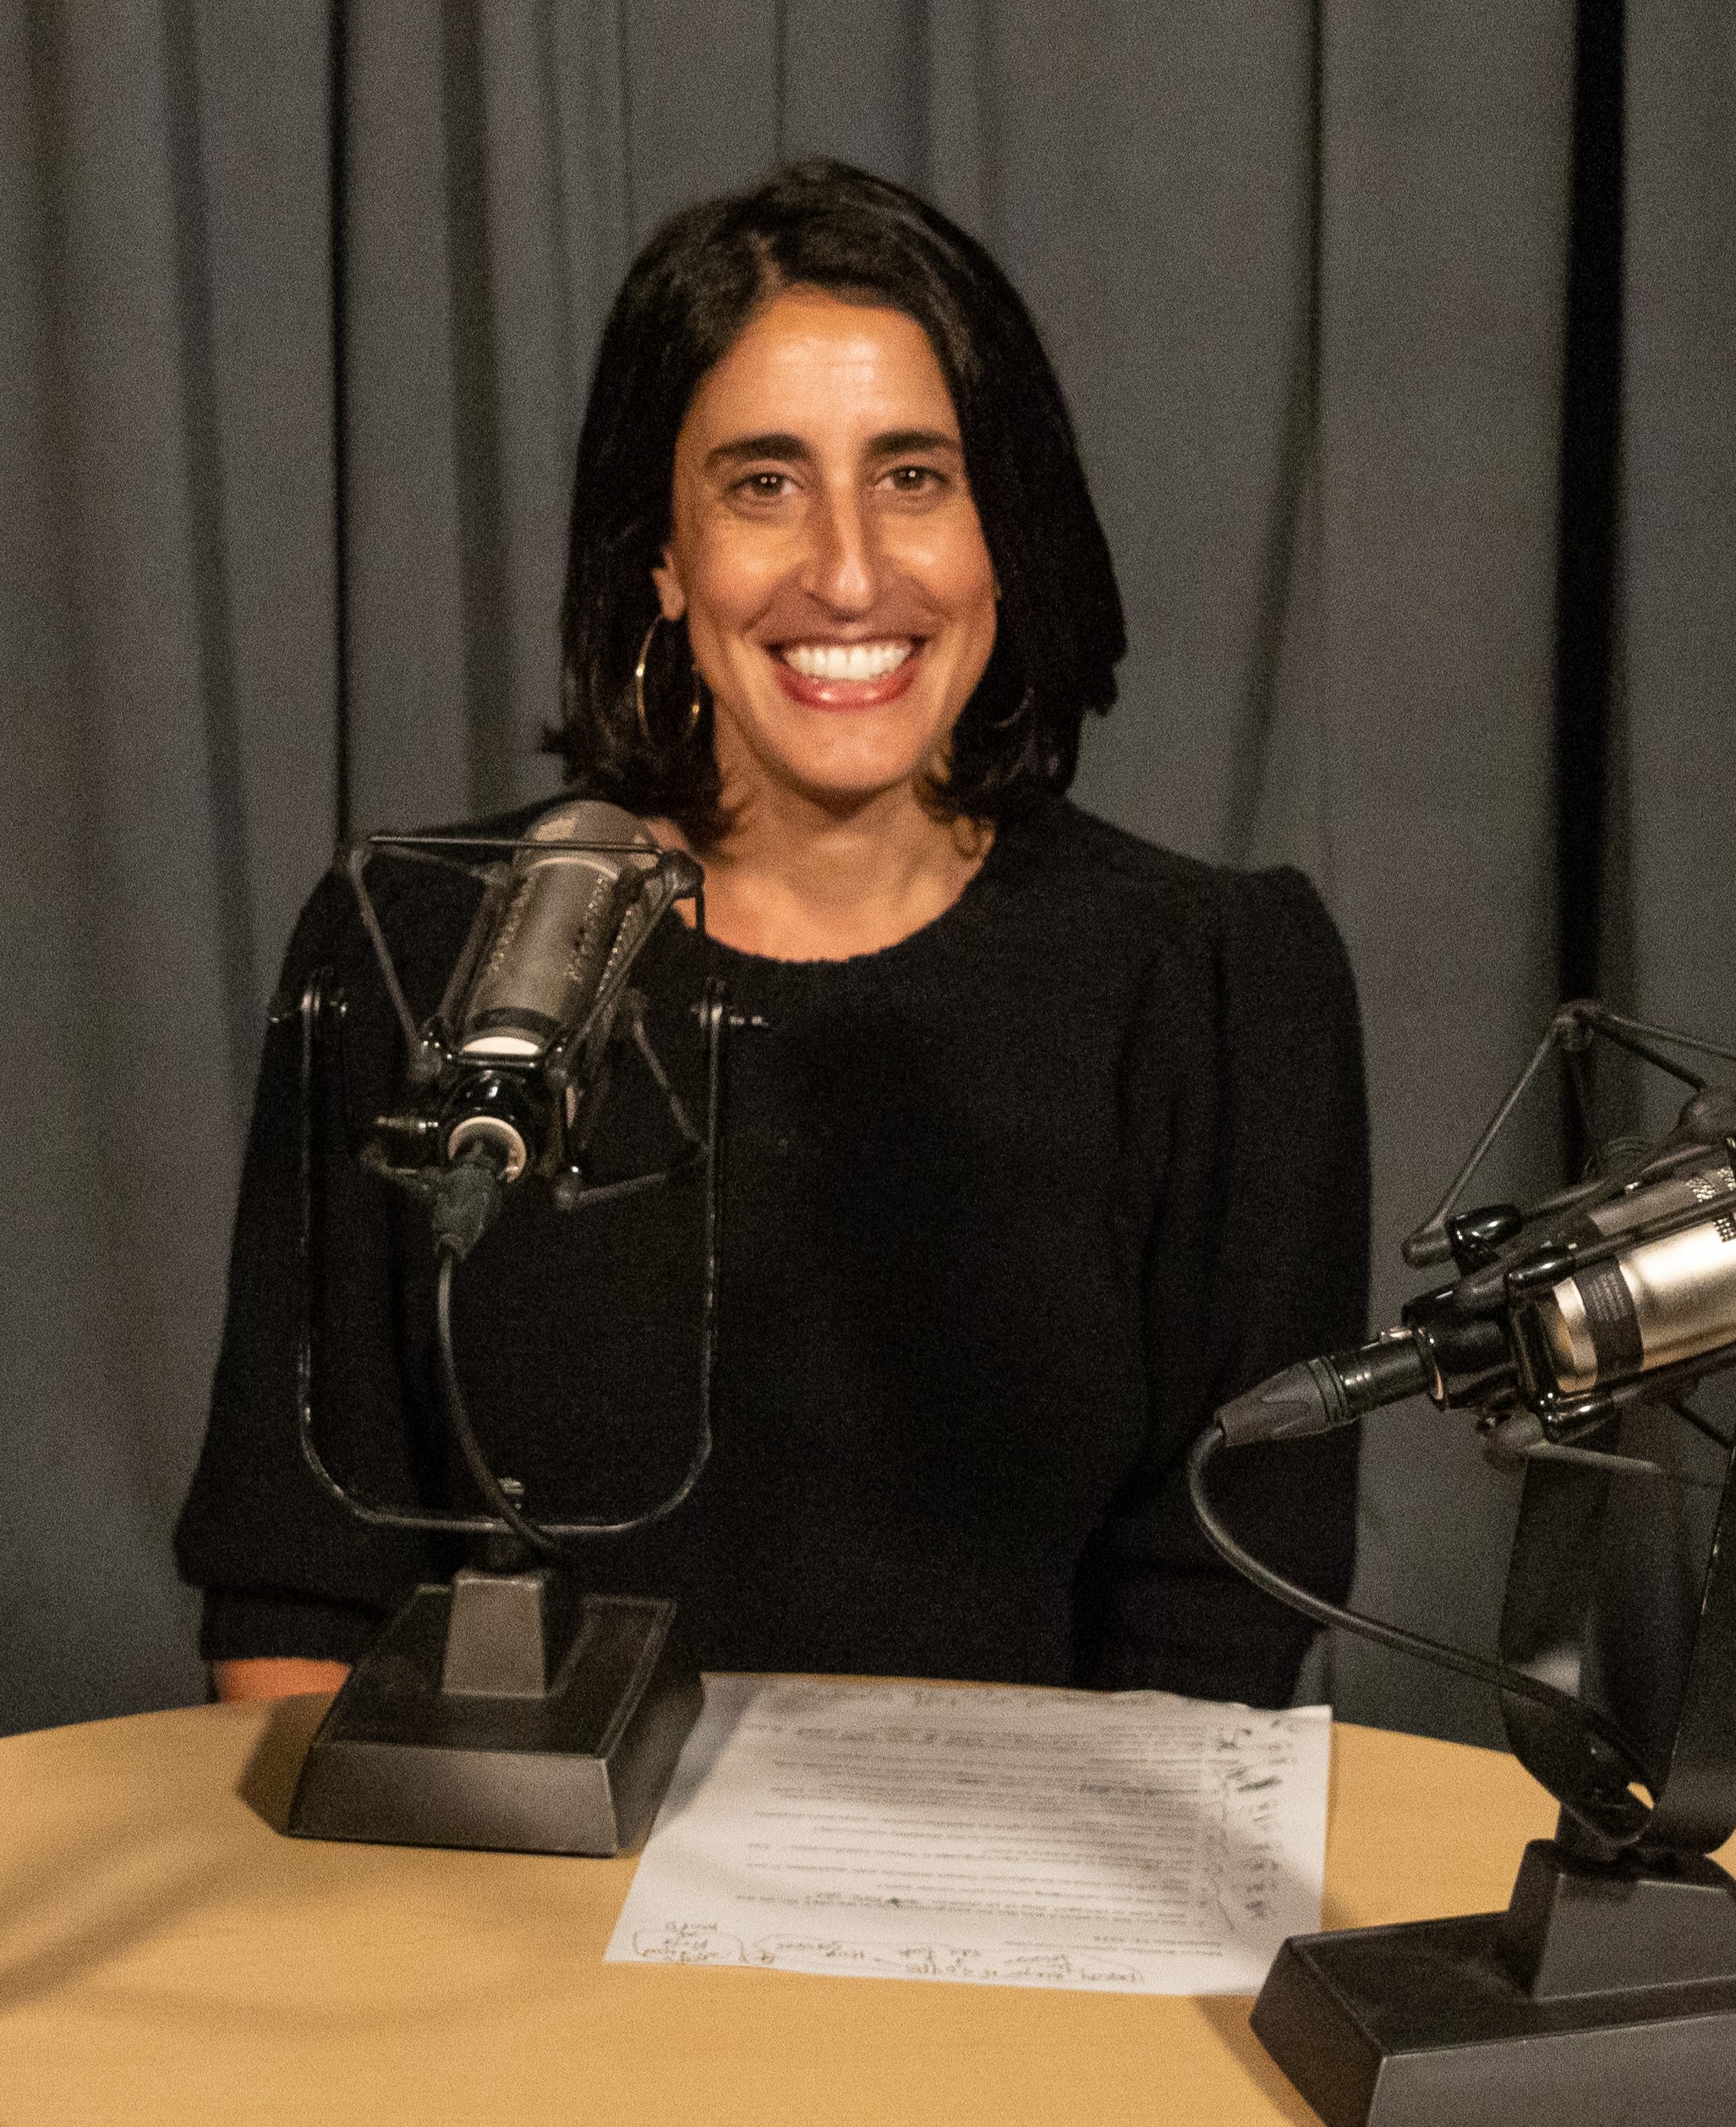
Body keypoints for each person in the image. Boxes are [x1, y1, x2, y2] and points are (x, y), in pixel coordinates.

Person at [177, 160, 1365, 1712]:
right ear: (661, 556)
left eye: (914, 476)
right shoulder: (412, 947)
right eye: (763, 483)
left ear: (1009, 525)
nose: (848, 571)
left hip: (1013, 1924)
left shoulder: (1217, 987)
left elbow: (1222, 1635)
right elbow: (295, 1599)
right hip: (499, 1926)